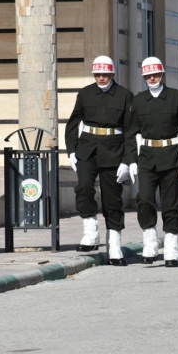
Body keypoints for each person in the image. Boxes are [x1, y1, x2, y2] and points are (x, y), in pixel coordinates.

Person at [65, 56, 134, 265]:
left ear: (112, 74)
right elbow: (73, 123)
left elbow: (131, 131)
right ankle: (90, 233)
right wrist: (71, 151)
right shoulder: (85, 93)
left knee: (112, 199)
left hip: (114, 151)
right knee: (84, 188)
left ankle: (114, 245)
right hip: (87, 149)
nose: (101, 78)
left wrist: (127, 160)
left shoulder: (124, 95)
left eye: (105, 74)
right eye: (98, 74)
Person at [125, 57, 178, 267]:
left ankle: (171, 248)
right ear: (143, 77)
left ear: (162, 74)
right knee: (144, 199)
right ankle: (150, 244)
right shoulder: (139, 100)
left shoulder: (177, 97)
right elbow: (130, 133)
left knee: (172, 203)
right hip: (146, 157)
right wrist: (131, 160)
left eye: (155, 74)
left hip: (171, 156)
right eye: (148, 75)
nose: (152, 78)